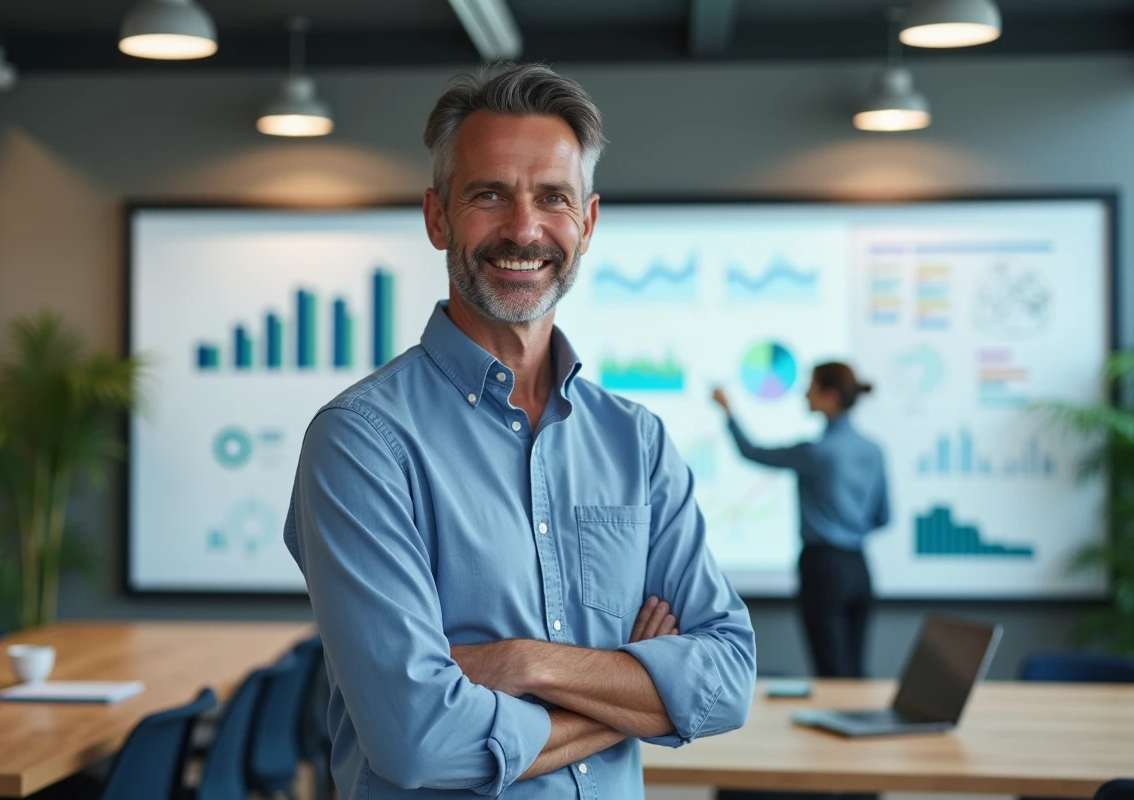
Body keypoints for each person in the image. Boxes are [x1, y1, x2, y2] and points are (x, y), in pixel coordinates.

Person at [284, 64, 756, 799]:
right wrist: (637, 692)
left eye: (552, 198)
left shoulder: (637, 442)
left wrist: (525, 663)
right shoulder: (361, 443)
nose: (524, 229)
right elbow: (418, 740)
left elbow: (726, 683)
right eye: (489, 194)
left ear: (588, 222)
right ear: (437, 216)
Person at [712, 363, 888, 679]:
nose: (805, 392)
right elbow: (883, 516)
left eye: (812, 385)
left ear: (831, 395)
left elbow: (751, 451)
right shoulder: (873, 450)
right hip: (859, 568)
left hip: (823, 568)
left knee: (830, 672)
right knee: (855, 671)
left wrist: (727, 409)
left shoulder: (817, 452)